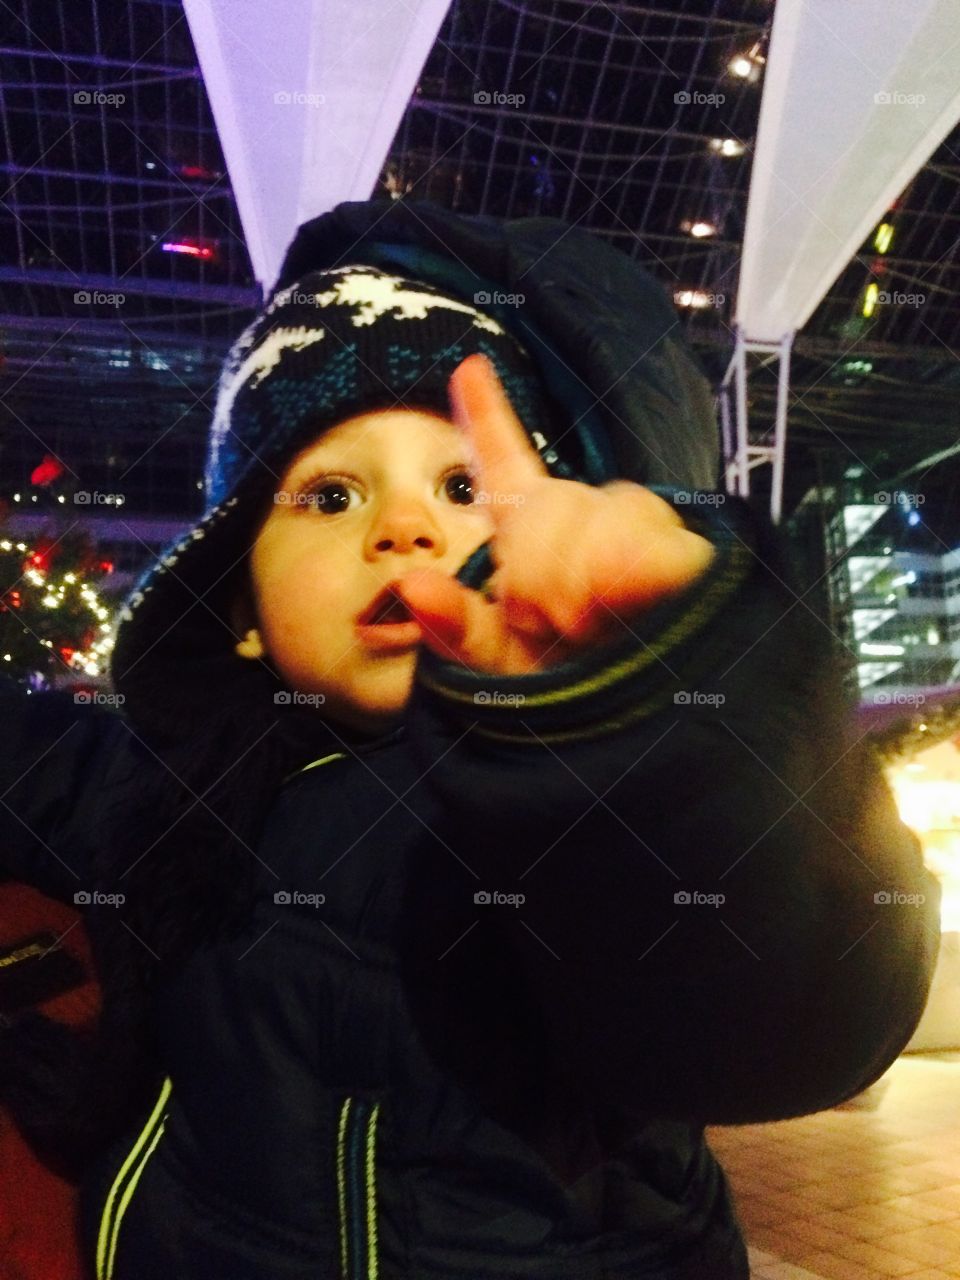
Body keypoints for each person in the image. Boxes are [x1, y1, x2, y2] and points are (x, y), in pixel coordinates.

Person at [0, 199, 940, 1280]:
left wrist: (657, 697)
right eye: (331, 493)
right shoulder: (161, 782)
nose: (405, 530)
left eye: (462, 486)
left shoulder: (573, 806)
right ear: (239, 603)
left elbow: (789, 1015)